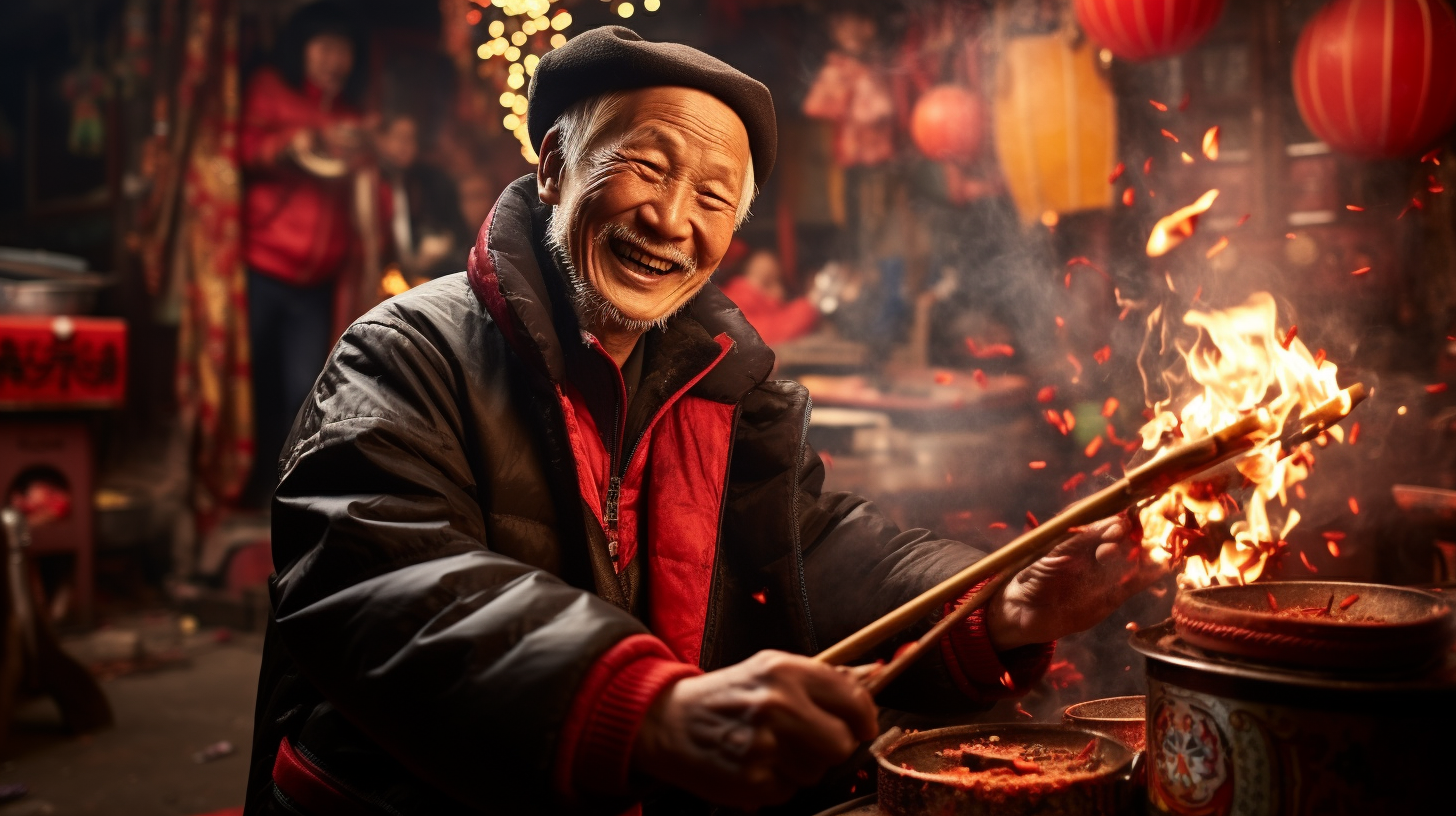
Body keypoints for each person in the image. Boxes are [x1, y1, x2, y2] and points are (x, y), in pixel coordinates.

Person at [244, 27, 1161, 816]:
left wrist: (992, 603)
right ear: (556, 164)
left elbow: (805, 547)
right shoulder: (406, 349)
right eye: (644, 164)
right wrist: (647, 709)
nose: (672, 219)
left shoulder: (722, 378)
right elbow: (380, 580)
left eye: (715, 199)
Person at [239, 1, 365, 503]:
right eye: (326, 48)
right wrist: (305, 140)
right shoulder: (270, 88)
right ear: (303, 50)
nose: (336, 60)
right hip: (263, 268)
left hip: (317, 284)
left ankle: (284, 499)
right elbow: (245, 150)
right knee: (247, 388)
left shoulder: (352, 115)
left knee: (304, 396)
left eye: (345, 51)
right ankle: (235, 490)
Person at [372, 111, 472, 281]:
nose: (405, 146)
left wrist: (444, 242)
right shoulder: (371, 181)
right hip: (384, 276)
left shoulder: (431, 181)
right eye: (399, 137)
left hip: (427, 276)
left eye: (411, 139)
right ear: (381, 140)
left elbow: (458, 229)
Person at [718, 247, 820, 345]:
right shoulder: (728, 307)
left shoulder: (777, 311)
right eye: (767, 283)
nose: (780, 292)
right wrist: (809, 305)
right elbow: (755, 335)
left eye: (781, 282)